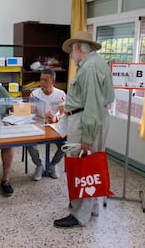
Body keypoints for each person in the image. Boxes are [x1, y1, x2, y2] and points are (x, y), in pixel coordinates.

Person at [53, 32, 115, 228]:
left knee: (82, 167)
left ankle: (79, 214)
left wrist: (87, 137)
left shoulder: (90, 68)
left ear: (80, 48)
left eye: (72, 50)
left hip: (85, 121)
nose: (71, 54)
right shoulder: (93, 64)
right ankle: (91, 207)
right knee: (91, 166)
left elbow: (93, 105)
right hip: (86, 118)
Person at [27, 69, 66, 181]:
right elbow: (31, 111)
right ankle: (39, 166)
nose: (42, 83)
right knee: (30, 143)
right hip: (38, 122)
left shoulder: (60, 94)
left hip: (53, 124)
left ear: (52, 81)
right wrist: (44, 115)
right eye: (41, 79)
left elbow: (63, 112)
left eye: (45, 80)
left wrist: (56, 117)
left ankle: (53, 164)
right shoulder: (35, 94)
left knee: (66, 144)